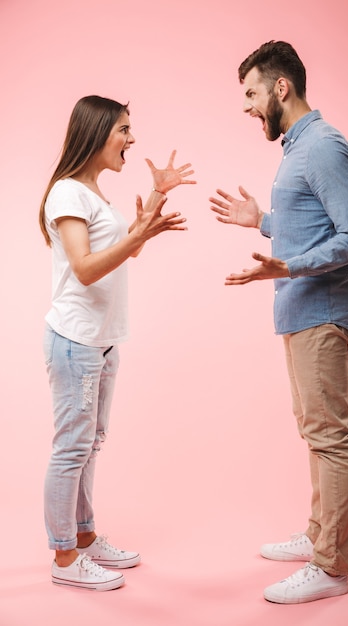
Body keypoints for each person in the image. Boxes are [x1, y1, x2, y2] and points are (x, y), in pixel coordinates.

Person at [209, 41, 348, 604]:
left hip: (321, 310)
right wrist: (264, 222)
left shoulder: (324, 146)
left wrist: (290, 264)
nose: (248, 106)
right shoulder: (299, 147)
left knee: (330, 438)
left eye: (252, 93)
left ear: (282, 87)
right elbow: (310, 223)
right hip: (301, 310)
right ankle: (318, 536)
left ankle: (331, 567)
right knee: (316, 435)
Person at [40, 95, 196, 591]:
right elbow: (86, 270)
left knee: (90, 445)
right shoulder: (67, 193)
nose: (132, 140)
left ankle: (83, 538)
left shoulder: (93, 193)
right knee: (72, 448)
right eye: (124, 130)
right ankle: (65, 558)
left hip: (101, 344)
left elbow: (119, 249)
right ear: (97, 132)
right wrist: (136, 236)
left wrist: (155, 200)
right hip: (76, 342)